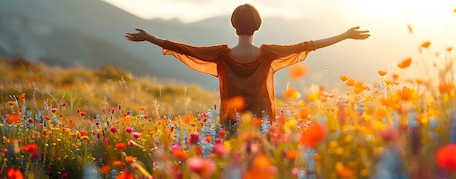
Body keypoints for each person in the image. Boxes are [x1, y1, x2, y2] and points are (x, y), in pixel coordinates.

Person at [125, 4, 370, 138]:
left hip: (231, 123)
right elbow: (309, 45)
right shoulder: (268, 54)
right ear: (258, 26)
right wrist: (345, 36)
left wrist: (150, 37)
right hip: (263, 126)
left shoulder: (221, 54)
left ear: (233, 25)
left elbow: (184, 49)